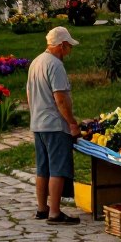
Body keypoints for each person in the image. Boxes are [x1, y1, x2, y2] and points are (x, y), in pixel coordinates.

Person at [26, 26, 81, 225]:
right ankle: (55, 212)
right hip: (54, 124)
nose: (69, 51)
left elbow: (29, 93)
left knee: (43, 168)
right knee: (58, 168)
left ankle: (42, 208)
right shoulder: (55, 65)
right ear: (62, 45)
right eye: (68, 47)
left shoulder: (36, 61)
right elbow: (60, 99)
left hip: (38, 123)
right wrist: (72, 123)